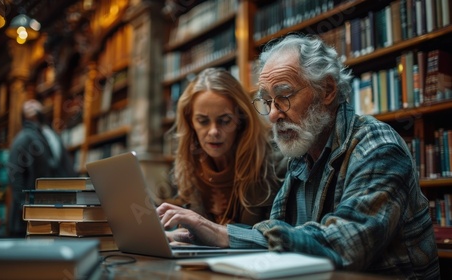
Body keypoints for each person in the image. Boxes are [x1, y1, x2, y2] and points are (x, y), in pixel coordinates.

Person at [157, 34, 440, 279]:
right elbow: (277, 242)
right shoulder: (301, 155)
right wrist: (199, 238)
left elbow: (343, 246)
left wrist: (221, 234)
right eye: (267, 101)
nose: (272, 114)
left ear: (327, 90)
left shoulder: (377, 147)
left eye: (284, 96)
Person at [164, 68, 281, 230]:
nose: (213, 132)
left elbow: (271, 235)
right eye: (203, 121)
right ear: (190, 122)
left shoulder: (271, 163)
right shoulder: (189, 166)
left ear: (240, 119)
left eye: (225, 121)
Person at [7, 99, 76, 237]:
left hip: (54, 207)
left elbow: (62, 166)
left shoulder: (49, 135)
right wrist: (22, 203)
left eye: (34, 103)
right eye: (27, 105)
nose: (31, 105)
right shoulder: (26, 137)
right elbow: (14, 173)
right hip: (31, 210)